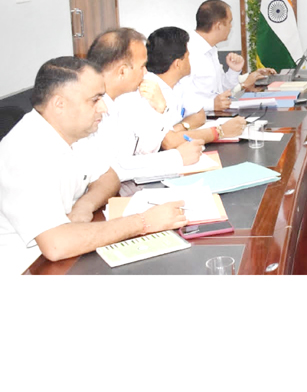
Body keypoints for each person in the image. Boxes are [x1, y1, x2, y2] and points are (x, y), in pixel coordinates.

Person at [0, 57, 187, 274]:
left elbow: (109, 176)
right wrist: (144, 222)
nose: (104, 107)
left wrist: (85, 206)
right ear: (59, 104)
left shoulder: (75, 133)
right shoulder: (25, 151)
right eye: (95, 99)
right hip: (29, 269)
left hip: (69, 254)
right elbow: (56, 245)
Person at [75, 28, 204, 190]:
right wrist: (177, 158)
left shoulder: (124, 99)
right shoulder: (90, 108)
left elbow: (145, 149)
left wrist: (159, 110)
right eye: (142, 66)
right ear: (122, 71)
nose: (146, 72)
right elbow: (111, 170)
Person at [128, 27, 247, 149]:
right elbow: (169, 142)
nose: (190, 61)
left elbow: (200, 115)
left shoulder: (179, 83)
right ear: (178, 64)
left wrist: (179, 128)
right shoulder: (148, 90)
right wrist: (220, 131)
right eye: (187, 56)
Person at [177, 0, 275, 112]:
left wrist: (234, 70)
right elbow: (179, 100)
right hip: (200, 119)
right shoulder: (188, 52)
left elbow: (221, 89)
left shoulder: (211, 49)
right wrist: (212, 104)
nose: (230, 27)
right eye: (229, 22)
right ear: (219, 25)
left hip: (215, 115)